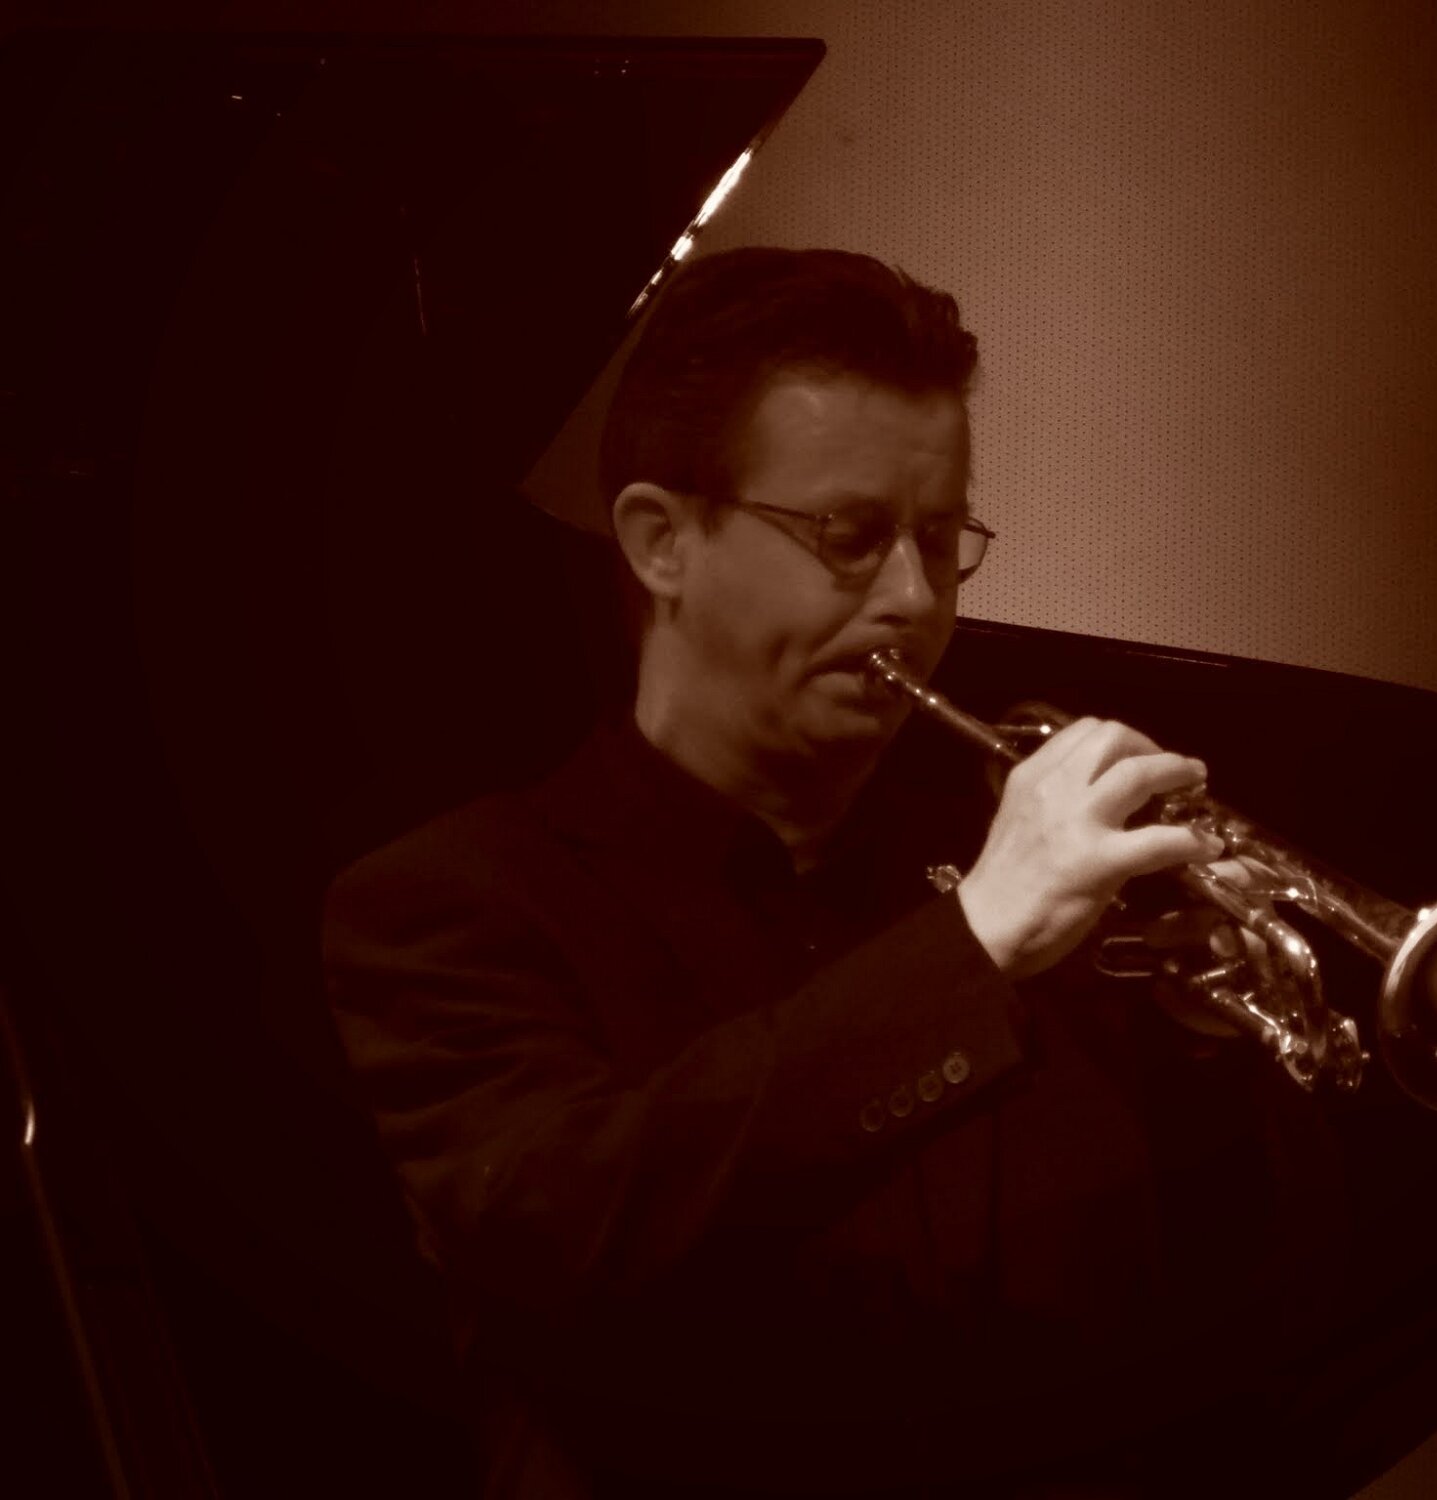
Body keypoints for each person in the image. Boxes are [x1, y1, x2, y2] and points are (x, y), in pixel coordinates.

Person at [324, 248, 1344, 1499]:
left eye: (938, 539)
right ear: (660, 542)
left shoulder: (1027, 889)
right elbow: (570, 1237)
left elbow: (1242, 1321)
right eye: (848, 538)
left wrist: (1201, 1060)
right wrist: (970, 949)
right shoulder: (451, 904)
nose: (911, 598)